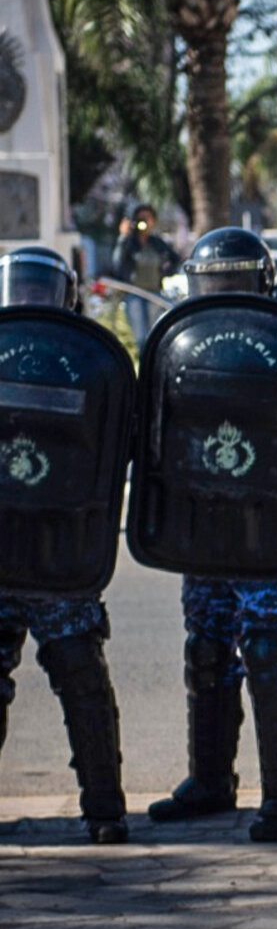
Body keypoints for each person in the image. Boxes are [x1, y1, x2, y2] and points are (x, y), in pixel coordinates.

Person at [146, 228, 277, 842]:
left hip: (269, 524)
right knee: (206, 645)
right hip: (206, 518)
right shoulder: (183, 342)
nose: (220, 296)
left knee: (266, 649)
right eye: (211, 285)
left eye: (230, 284)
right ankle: (210, 782)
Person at [0, 247, 130, 844]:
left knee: (81, 675)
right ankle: (104, 809)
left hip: (56, 549)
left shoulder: (85, 358)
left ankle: (104, 807)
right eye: (20, 287)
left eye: (36, 288)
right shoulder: (87, 358)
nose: (28, 297)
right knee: (79, 673)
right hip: (50, 550)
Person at [111, 204, 179, 349]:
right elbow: (117, 263)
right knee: (141, 338)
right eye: (140, 219)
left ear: (153, 221)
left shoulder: (157, 243)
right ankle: (144, 366)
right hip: (134, 294)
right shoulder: (129, 243)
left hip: (154, 293)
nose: (143, 223)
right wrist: (123, 237)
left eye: (147, 219)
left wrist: (166, 272)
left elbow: (176, 259)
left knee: (155, 335)